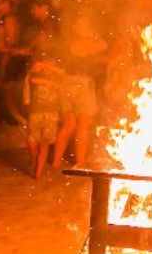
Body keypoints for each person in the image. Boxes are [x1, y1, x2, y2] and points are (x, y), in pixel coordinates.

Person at [53, 11, 107, 170]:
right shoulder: (87, 43)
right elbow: (104, 45)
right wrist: (93, 35)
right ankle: (80, 163)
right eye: (84, 24)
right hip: (82, 84)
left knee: (68, 125)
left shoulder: (67, 43)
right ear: (76, 27)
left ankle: (56, 162)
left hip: (67, 83)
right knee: (83, 125)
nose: (87, 27)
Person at [25, 47, 63, 180]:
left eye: (52, 62)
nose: (50, 63)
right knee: (31, 143)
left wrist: (49, 68)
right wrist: (51, 84)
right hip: (36, 111)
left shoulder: (57, 75)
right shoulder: (36, 72)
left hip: (52, 112)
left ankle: (38, 174)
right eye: (47, 61)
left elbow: (63, 75)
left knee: (45, 143)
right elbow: (34, 80)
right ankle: (36, 162)